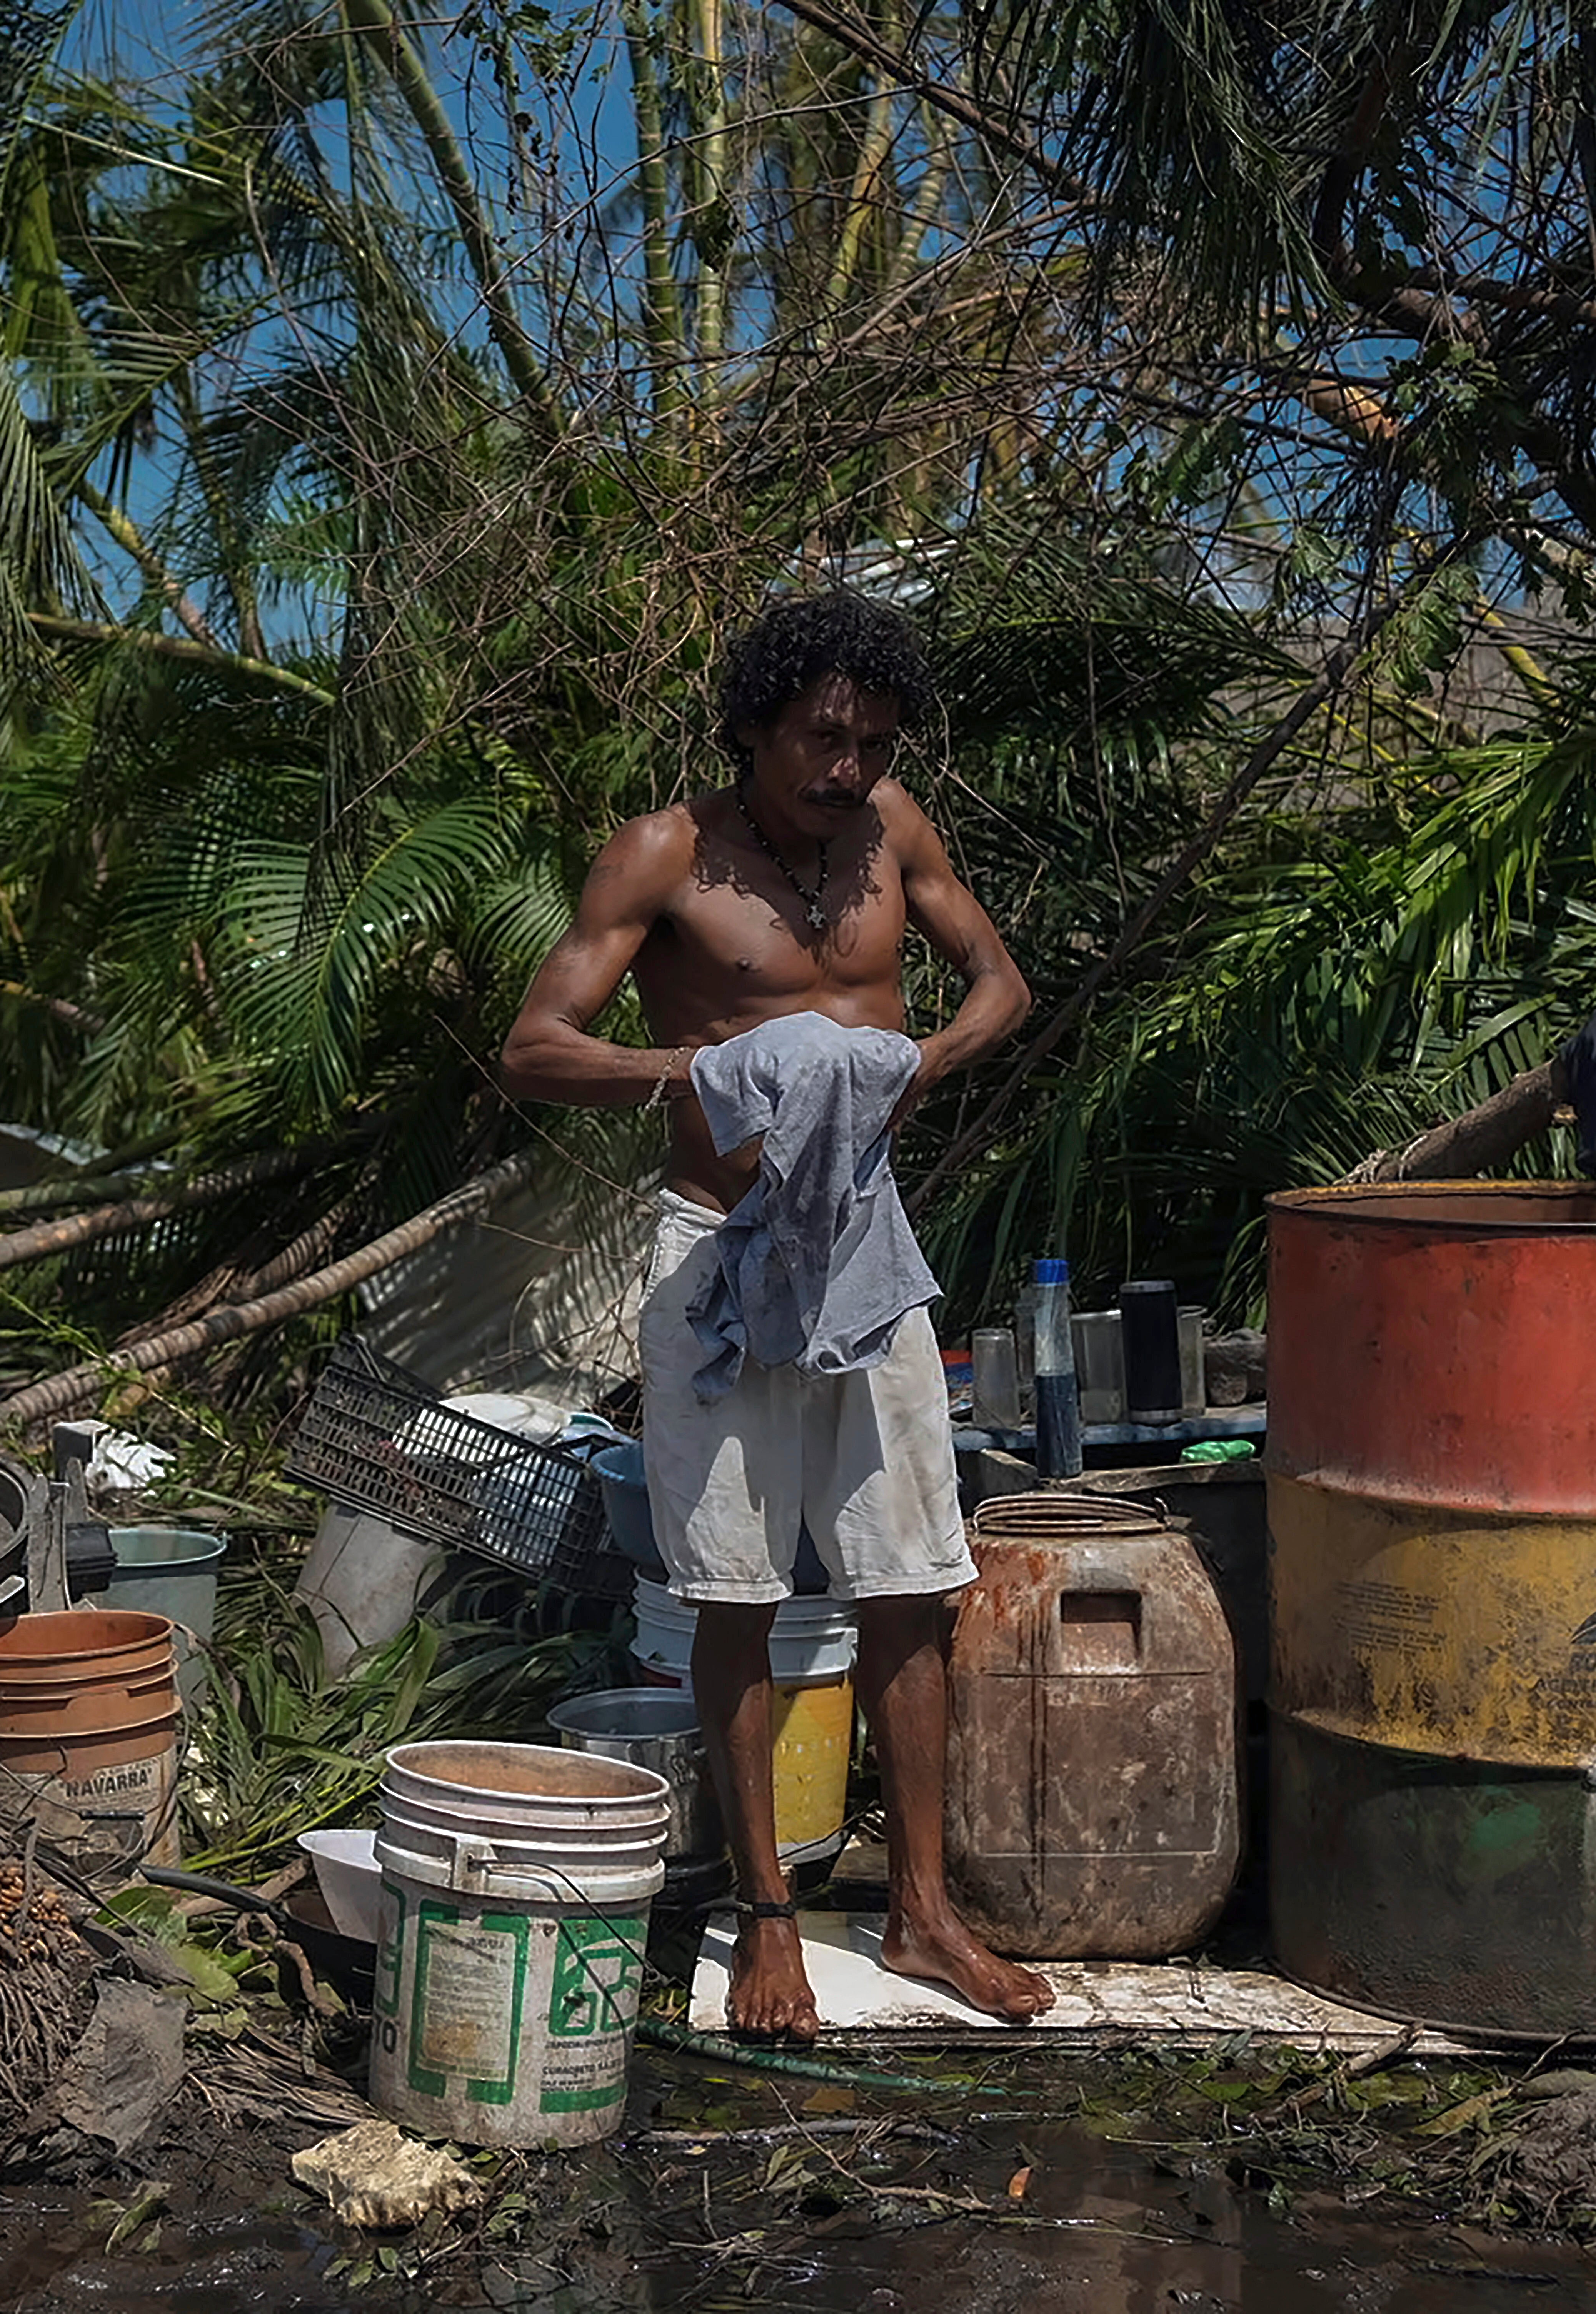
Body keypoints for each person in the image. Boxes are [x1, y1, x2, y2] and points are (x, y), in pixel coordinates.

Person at [499, 590, 1052, 2044]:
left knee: (911, 1575)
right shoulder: (665, 852)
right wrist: (702, 1078)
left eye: (871, 741)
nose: (845, 767)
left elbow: (1004, 983)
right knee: (734, 1588)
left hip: (866, 1247)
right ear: (749, 724)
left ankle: (927, 1915)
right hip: (717, 1255)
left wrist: (909, 1064)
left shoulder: (895, 834)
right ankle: (769, 1919)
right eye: (819, 735)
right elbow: (535, 1049)